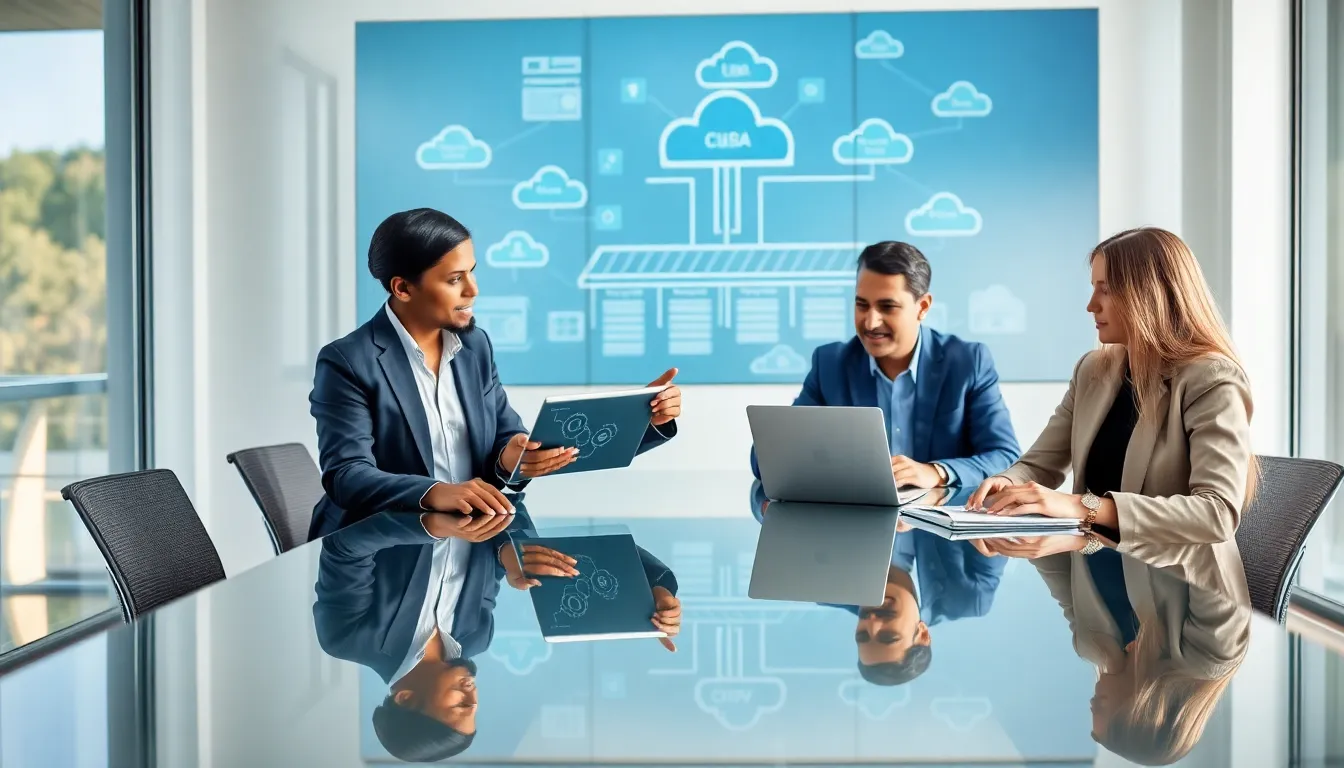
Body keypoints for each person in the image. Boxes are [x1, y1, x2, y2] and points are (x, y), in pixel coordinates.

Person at [309, 208, 683, 538]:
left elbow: (507, 443)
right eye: (455, 279)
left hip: (468, 546)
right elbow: (347, 475)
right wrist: (437, 491)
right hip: (375, 560)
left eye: (472, 273)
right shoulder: (348, 361)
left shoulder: (474, 347)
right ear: (403, 288)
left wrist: (638, 415)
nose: (473, 290)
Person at [312, 500, 682, 762]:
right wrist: (656, 588)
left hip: (403, 474)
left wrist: (434, 523)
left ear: (406, 698)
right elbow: (503, 527)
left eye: (459, 707)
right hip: (480, 481)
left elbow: (345, 544)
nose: (473, 699)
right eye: (475, 709)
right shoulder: (474, 636)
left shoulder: (350, 637)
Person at [966, 227, 1256, 552]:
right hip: (1098, 571)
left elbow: (1215, 514)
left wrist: (1083, 507)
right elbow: (1038, 465)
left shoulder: (1212, 379)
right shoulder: (1092, 370)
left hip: (1181, 587)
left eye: (1105, 290)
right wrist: (1008, 482)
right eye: (1093, 289)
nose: (1091, 305)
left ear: (1149, 294)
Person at [750, 241, 1019, 492]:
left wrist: (936, 472)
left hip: (938, 535)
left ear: (922, 307)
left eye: (887, 307)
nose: (870, 322)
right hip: (857, 529)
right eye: (861, 305)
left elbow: (1005, 457)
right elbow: (767, 461)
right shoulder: (830, 364)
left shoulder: (968, 362)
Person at [750, 483, 1005, 686]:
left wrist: (771, 511)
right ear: (923, 633)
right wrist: (933, 492)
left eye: (862, 635)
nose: (871, 622)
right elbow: (998, 501)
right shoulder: (971, 596)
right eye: (888, 635)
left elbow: (765, 493)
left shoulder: (824, 585)